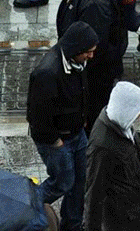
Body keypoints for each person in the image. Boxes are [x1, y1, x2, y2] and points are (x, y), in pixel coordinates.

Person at [27, 21, 99, 231]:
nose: (91, 56)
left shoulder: (77, 62)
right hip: (56, 141)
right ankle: (26, 203)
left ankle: (73, 225)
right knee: (63, 182)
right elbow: (37, 116)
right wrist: (55, 142)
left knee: (79, 183)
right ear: (76, 49)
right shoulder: (47, 73)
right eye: (88, 52)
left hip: (77, 134)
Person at [52, 0, 126, 134]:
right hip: (105, 66)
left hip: (95, 75)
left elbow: (94, 46)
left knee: (93, 117)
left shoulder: (94, 2)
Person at [84, 81, 140, 231]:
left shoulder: (120, 124)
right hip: (125, 220)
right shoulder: (102, 145)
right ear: (126, 109)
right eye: (138, 109)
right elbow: (94, 193)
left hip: (136, 210)